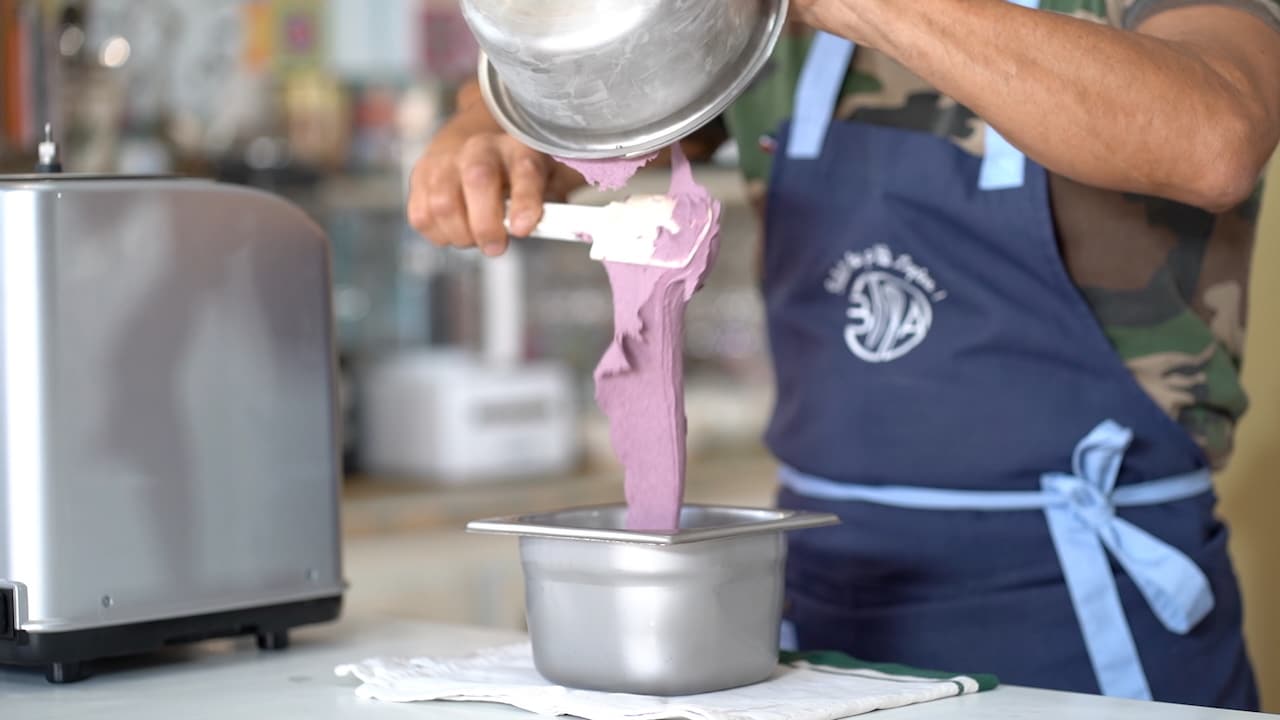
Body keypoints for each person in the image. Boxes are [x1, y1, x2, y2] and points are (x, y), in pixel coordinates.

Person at [408, 0, 1280, 710]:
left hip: (1087, 602)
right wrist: (486, 135)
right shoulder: (765, 22)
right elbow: (594, 85)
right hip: (809, 594)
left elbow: (1216, 139)